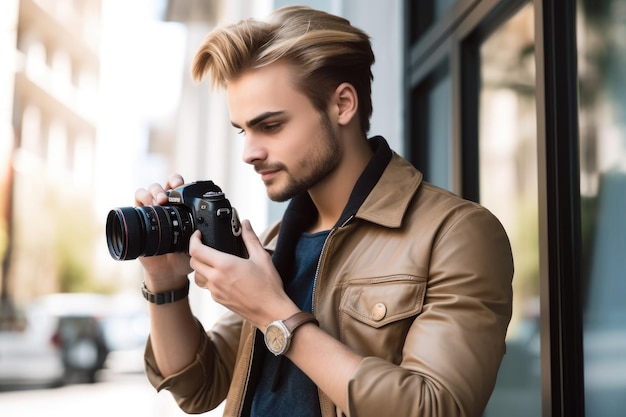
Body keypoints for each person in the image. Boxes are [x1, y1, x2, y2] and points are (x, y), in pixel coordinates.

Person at [135, 6, 513, 417]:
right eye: (244, 131)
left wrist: (276, 316)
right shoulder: (275, 242)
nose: (249, 153)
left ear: (343, 104)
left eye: (272, 126)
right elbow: (197, 388)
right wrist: (164, 284)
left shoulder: (456, 234)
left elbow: (436, 409)